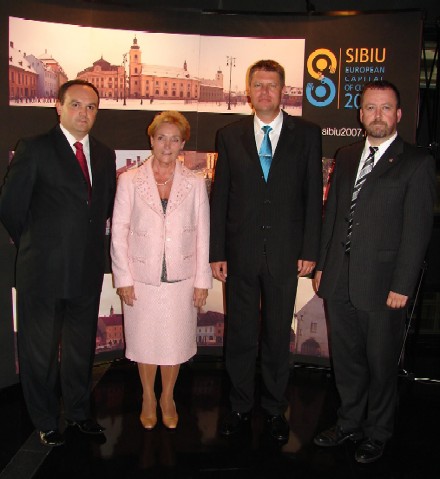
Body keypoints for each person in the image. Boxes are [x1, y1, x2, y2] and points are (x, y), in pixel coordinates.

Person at [313, 81, 436, 463]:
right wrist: (322, 265)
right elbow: (332, 216)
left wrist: (403, 284)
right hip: (339, 279)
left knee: (381, 364)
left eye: (386, 108)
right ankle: (349, 422)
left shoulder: (416, 162)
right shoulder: (346, 155)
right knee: (346, 361)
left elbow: (417, 230)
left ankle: (378, 432)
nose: (377, 115)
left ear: (398, 114)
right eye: (370, 108)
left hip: (384, 286)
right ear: (360, 113)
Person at [210, 59, 323, 442]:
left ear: (283, 90)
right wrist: (216, 251)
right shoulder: (229, 135)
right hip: (240, 254)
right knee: (240, 335)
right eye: (258, 85)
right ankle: (240, 407)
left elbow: (312, 198)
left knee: (277, 335)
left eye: (272, 85)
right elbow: (221, 196)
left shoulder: (307, 134)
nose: (264, 92)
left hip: (285, 253)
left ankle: (275, 410)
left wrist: (310, 248)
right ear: (248, 91)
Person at [0, 79, 116, 447]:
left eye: (91, 107)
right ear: (59, 107)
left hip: (86, 271)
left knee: (81, 349)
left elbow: (102, 209)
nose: (84, 113)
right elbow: (10, 208)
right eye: (77, 105)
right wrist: (37, 244)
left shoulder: (104, 153)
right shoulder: (34, 149)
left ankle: (79, 413)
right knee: (40, 352)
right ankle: (45, 420)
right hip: (43, 272)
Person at [111, 111, 212, 430]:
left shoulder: (195, 183)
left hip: (181, 278)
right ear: (151, 139)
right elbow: (119, 231)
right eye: (161, 138)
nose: (167, 145)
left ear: (183, 143)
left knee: (174, 342)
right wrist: (123, 277)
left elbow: (203, 233)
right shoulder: (129, 180)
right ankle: (147, 397)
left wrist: (202, 280)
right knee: (144, 342)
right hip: (142, 277)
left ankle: (167, 396)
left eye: (174, 139)